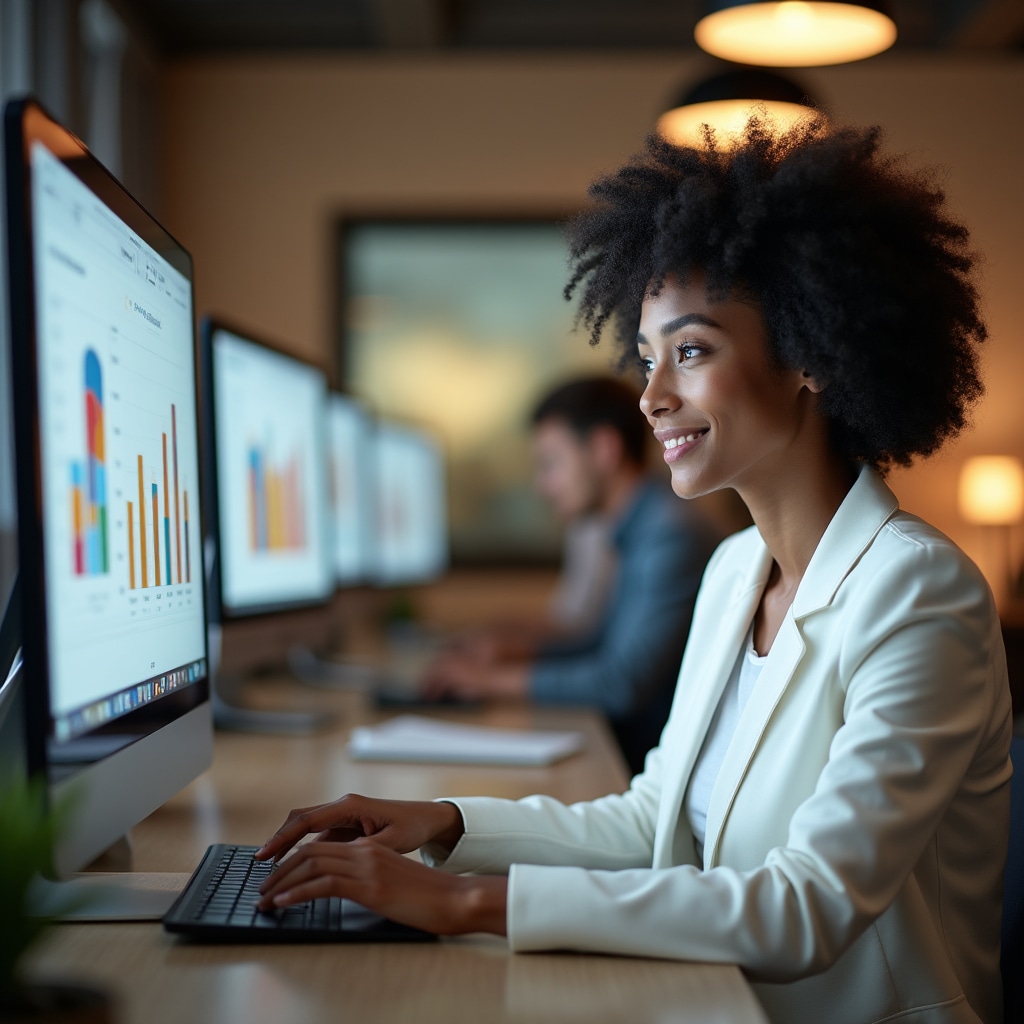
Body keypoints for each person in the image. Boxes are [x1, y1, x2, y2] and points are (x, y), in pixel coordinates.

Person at [255, 117, 1013, 1024]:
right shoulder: (737, 570)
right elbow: (657, 819)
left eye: (690, 352)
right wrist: (446, 822)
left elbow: (808, 907)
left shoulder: (918, 593)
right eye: (648, 359)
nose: (651, 398)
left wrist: (466, 906)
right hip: (715, 997)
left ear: (811, 352)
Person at [424, 376, 719, 773]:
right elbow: (603, 644)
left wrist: (489, 681)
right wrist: (514, 654)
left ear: (603, 449)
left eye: (551, 464)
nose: (542, 485)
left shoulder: (668, 535)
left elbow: (621, 683)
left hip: (654, 767)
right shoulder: (640, 526)